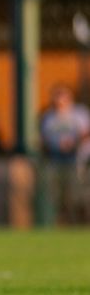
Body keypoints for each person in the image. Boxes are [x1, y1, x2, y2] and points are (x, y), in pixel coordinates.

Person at [39, 83, 90, 223]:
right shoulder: (49, 118)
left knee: (77, 195)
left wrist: (73, 143)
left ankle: (81, 222)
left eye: (63, 97)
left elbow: (86, 132)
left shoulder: (79, 113)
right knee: (58, 196)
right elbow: (44, 139)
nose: (60, 101)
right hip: (57, 161)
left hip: (77, 161)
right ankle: (63, 222)